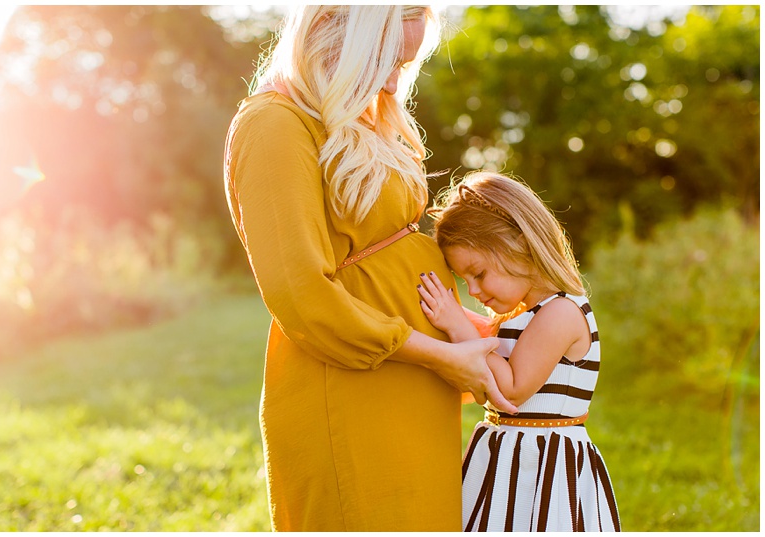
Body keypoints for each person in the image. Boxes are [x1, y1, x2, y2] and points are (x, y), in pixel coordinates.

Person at [223, 6, 517, 532]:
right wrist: (439, 356)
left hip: (415, 379)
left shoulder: (361, 119)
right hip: (352, 383)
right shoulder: (274, 123)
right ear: (338, 37)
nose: (392, 81)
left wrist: (473, 333)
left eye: (403, 65)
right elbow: (301, 295)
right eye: (385, 59)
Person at [417, 171, 622, 532]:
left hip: (543, 465)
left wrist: (457, 325)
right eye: (465, 281)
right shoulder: (520, 315)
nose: (474, 291)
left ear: (521, 244)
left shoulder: (561, 312)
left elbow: (511, 389)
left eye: (478, 273)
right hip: (506, 456)